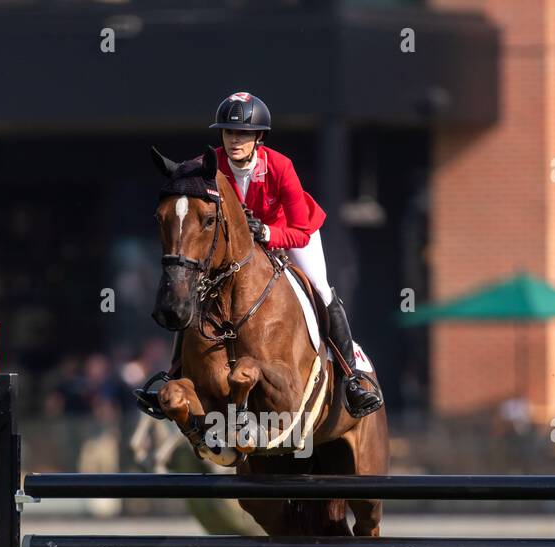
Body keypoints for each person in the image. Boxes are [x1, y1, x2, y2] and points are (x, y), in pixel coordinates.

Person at [135, 91, 383, 420]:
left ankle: (352, 378)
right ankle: (174, 372)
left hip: (289, 234)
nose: (235, 140)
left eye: (243, 134)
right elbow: (185, 184)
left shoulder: (280, 167)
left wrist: (267, 233)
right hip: (241, 246)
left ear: (258, 137)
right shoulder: (210, 165)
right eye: (229, 133)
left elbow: (301, 231)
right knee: (198, 294)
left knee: (322, 290)